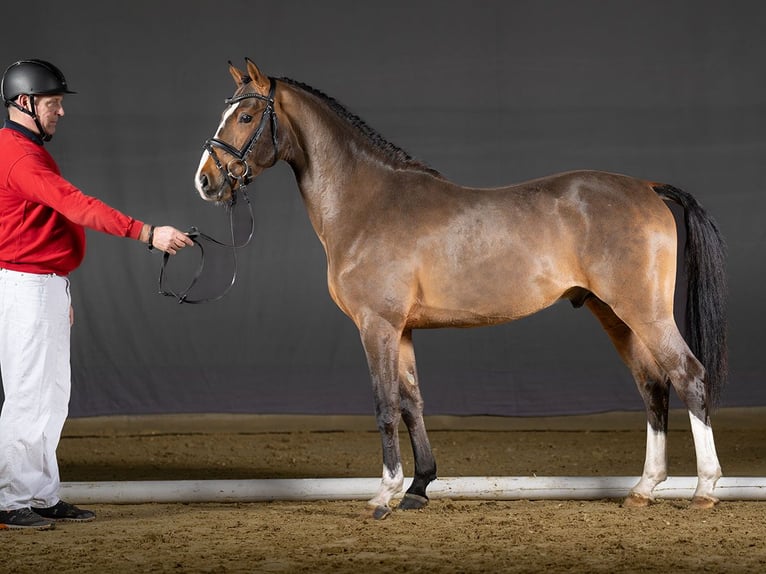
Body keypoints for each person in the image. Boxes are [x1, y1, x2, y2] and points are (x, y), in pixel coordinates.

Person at [0, 59, 194, 530]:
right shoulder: (20, 156)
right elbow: (76, 205)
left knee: (52, 396)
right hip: (26, 285)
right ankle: (9, 501)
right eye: (54, 103)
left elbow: (46, 223)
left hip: (43, 283)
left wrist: (59, 287)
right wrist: (147, 233)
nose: (60, 112)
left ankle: (41, 495)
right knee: (28, 395)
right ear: (25, 104)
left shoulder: (25, 148)